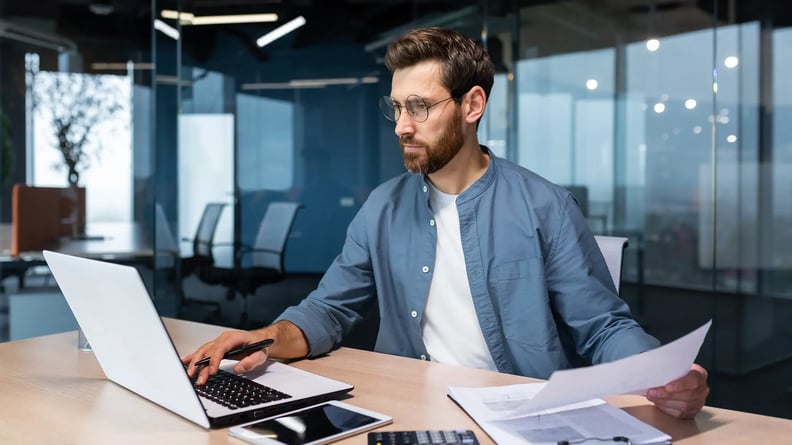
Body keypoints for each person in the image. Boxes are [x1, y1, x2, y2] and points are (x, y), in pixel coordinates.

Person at [184, 27, 709, 419]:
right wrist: (263, 338)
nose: (403, 126)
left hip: (520, 416)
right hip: (406, 406)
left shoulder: (545, 205)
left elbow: (602, 327)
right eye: (396, 108)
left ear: (472, 104)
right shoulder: (382, 208)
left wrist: (662, 374)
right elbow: (328, 310)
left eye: (419, 107)